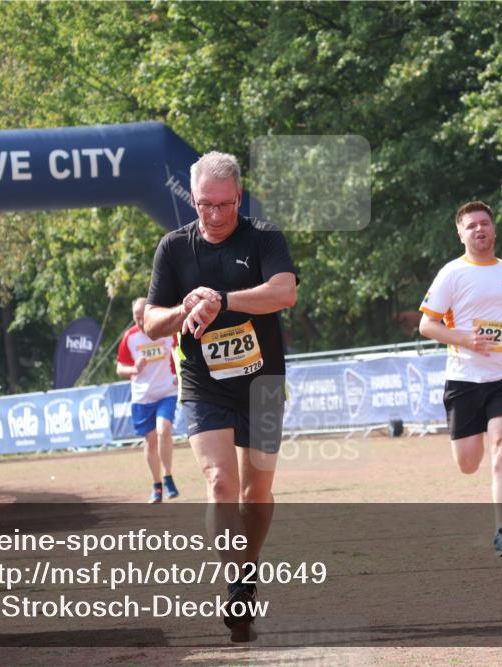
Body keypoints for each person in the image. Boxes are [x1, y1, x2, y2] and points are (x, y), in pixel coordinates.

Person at [143, 151, 297, 641]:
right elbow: (149, 322)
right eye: (204, 204)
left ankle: (247, 569)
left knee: (258, 492)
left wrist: (222, 300)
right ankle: (235, 583)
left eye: (223, 205)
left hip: (264, 382)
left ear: (239, 197)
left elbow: (284, 292)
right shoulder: (173, 247)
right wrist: (184, 306)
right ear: (193, 198)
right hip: (203, 382)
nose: (212, 215)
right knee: (219, 482)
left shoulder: (264, 237)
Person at [418, 200, 502, 557]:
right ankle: (473, 461)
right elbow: (427, 324)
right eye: (471, 225)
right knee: (468, 463)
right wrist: (465, 339)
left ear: (494, 229)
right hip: (464, 380)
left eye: (484, 223)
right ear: (460, 233)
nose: (479, 229)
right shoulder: (451, 274)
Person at [116, 297, 180, 503]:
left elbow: (178, 350)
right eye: (136, 319)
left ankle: (168, 476)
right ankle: (157, 485)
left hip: (166, 392)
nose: (141, 323)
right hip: (142, 396)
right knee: (151, 441)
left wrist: (180, 372)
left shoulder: (166, 330)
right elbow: (119, 368)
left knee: (164, 430)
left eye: (143, 318)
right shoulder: (130, 337)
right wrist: (134, 368)